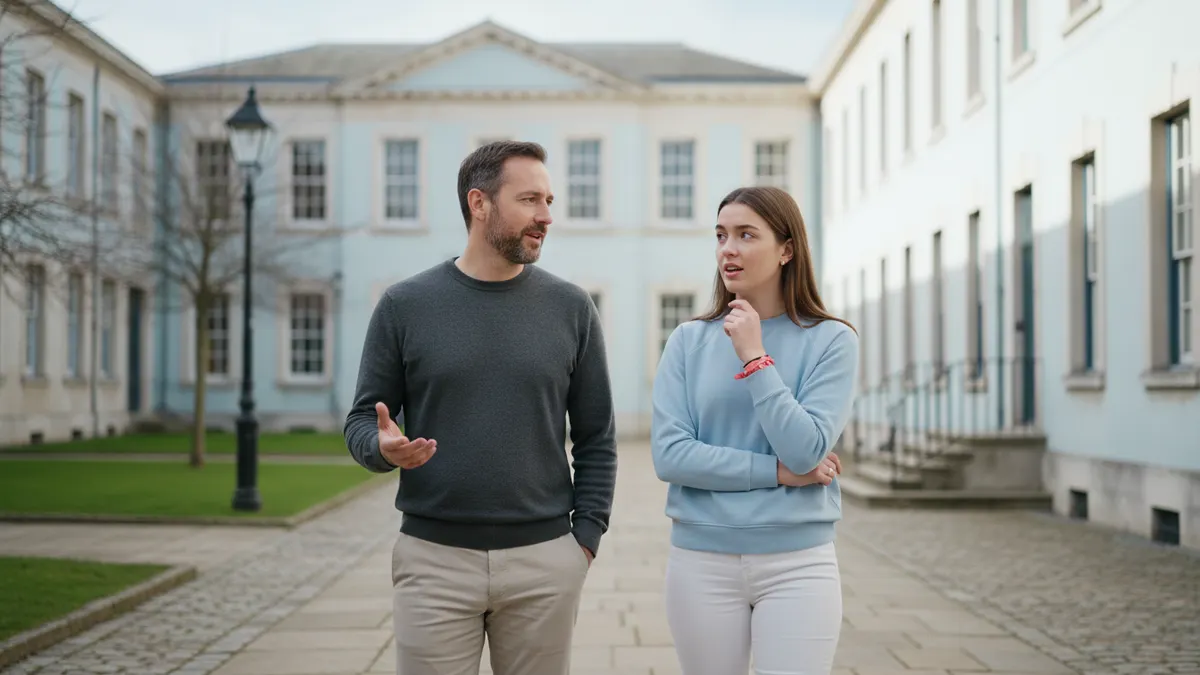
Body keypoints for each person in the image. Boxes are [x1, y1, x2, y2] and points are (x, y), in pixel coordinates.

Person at [343, 140, 618, 675]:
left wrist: (584, 540)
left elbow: (596, 436)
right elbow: (360, 420)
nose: (546, 217)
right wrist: (380, 446)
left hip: (545, 563)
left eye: (549, 200)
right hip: (433, 562)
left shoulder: (571, 308)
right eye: (531, 200)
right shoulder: (405, 305)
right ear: (480, 203)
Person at [650, 185, 859, 675]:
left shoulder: (832, 340)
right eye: (721, 235)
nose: (729, 248)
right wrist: (777, 474)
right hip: (700, 560)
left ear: (787, 249)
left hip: (798, 563)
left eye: (747, 235)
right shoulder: (688, 341)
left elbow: (806, 450)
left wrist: (754, 355)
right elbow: (671, 456)